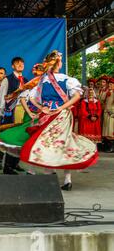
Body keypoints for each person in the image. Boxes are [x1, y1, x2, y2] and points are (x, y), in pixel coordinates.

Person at [19, 50, 98, 191]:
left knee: (48, 144)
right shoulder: (66, 79)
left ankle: (49, 175)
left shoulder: (42, 81)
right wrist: (62, 107)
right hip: (62, 115)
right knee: (63, 144)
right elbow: (77, 96)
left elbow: (31, 97)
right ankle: (66, 180)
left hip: (49, 114)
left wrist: (42, 107)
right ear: (59, 63)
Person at [0, 63, 44, 175]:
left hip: (37, 115)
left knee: (24, 139)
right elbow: (19, 98)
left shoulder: (42, 83)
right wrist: (1, 110)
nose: (39, 71)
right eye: (37, 69)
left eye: (41, 69)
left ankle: (14, 164)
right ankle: (8, 166)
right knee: (17, 137)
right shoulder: (30, 83)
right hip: (19, 112)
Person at [0, 57, 30, 174]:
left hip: (23, 112)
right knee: (12, 138)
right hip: (10, 112)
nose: (20, 65)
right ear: (12, 66)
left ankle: (15, 163)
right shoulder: (8, 79)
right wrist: (1, 113)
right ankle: (7, 167)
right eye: (17, 63)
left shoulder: (26, 80)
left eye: (22, 63)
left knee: (20, 137)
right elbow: (1, 96)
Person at [102, 78, 114, 152]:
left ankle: (112, 147)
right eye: (109, 84)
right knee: (106, 130)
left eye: (111, 84)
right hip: (106, 113)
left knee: (111, 130)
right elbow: (102, 101)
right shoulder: (107, 92)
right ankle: (108, 146)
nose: (109, 85)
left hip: (111, 113)